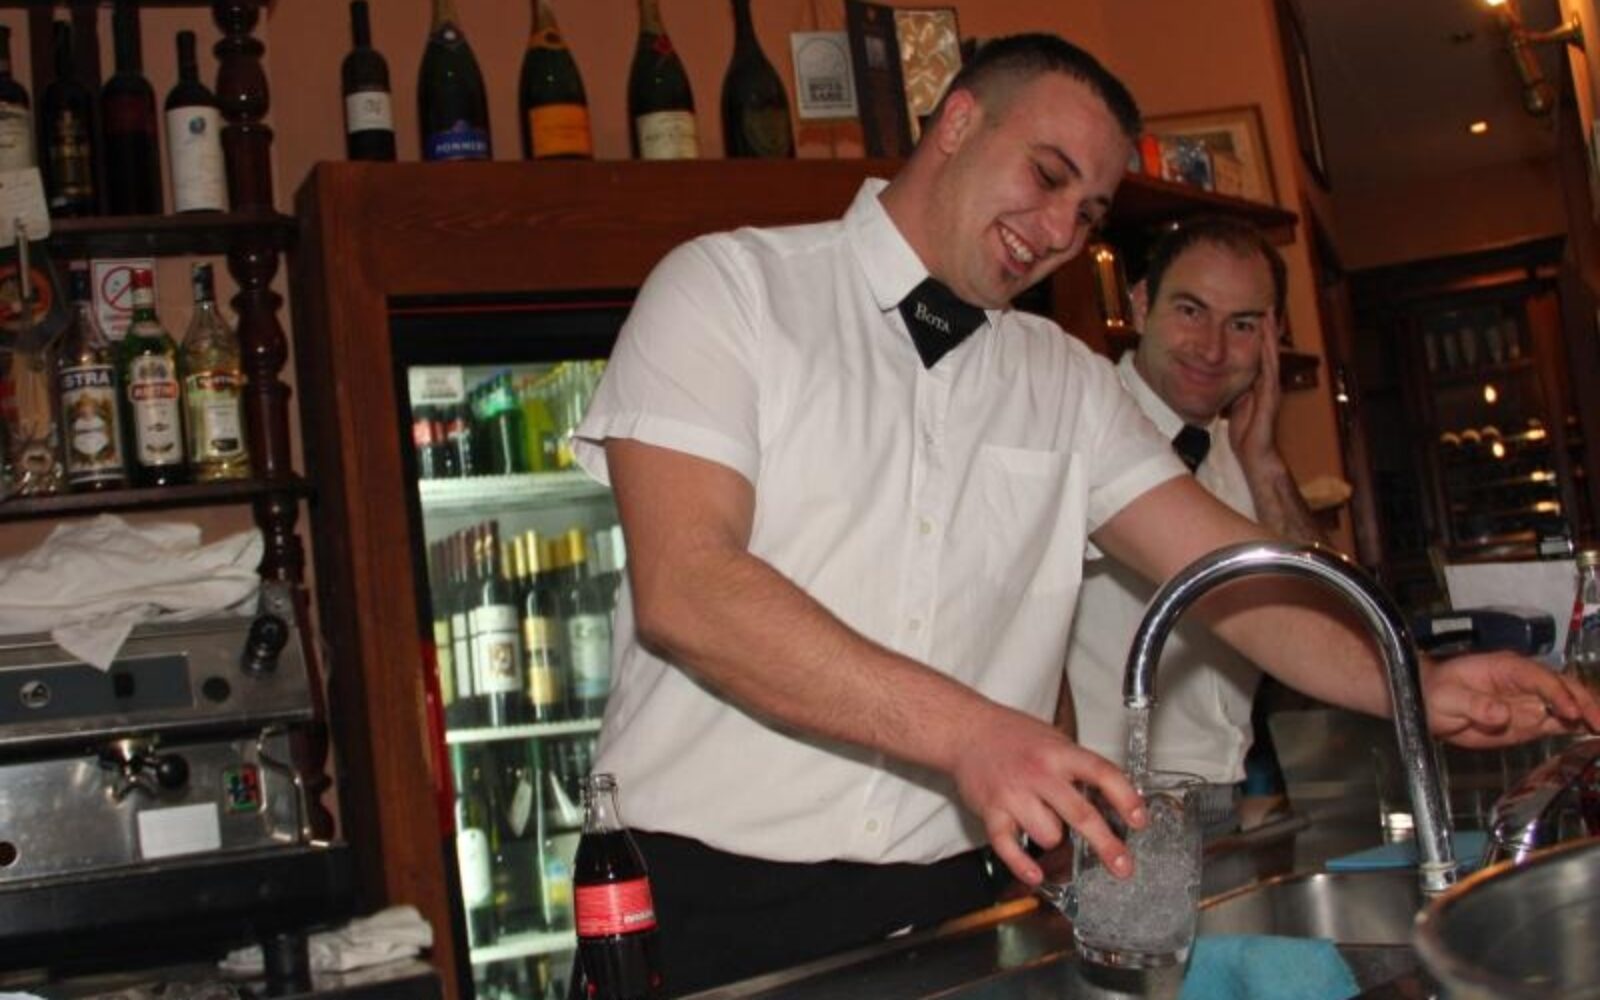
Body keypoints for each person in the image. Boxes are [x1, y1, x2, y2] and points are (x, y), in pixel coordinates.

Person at [572, 34, 1598, 997]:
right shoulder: (730, 289)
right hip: (708, 902)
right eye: (1048, 175)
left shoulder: (1064, 382)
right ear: (958, 122)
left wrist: (1414, 682)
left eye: (1090, 211)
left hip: (955, 901)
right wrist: (971, 735)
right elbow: (690, 587)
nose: (1062, 230)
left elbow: (1233, 579)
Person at [1062, 216, 1316, 839]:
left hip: (1221, 801)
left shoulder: (1241, 448)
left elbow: (1324, 620)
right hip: (1101, 809)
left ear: (1273, 337)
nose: (1212, 348)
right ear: (1140, 303)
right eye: (1190, 310)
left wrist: (1266, 463)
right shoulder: (1069, 421)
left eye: (1243, 325)